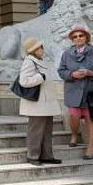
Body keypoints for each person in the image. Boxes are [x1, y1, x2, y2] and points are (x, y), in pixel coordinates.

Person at [18, 37, 62, 166]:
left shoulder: (38, 61)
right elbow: (23, 81)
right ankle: (32, 156)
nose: (43, 49)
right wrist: (40, 77)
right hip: (37, 103)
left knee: (47, 131)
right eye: (40, 47)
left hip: (45, 102)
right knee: (35, 131)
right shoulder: (29, 62)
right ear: (34, 50)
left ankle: (46, 155)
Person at [57, 24, 93, 160]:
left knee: (90, 119)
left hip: (90, 91)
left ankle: (90, 149)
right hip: (73, 90)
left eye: (81, 35)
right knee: (74, 117)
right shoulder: (66, 54)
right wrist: (72, 74)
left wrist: (90, 73)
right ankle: (74, 134)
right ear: (72, 39)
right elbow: (61, 71)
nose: (78, 38)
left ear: (86, 37)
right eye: (74, 36)